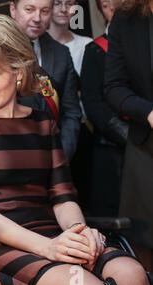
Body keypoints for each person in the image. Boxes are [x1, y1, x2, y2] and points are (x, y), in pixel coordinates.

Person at [0, 14, 152, 285]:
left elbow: (63, 197)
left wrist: (78, 233)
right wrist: (48, 247)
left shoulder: (42, 121)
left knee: (134, 277)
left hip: (54, 234)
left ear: (19, 71)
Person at [104, 0, 153, 273]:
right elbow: (113, 87)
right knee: (144, 240)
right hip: (146, 148)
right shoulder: (127, 17)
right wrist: (147, 112)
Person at [10, 0, 81, 161]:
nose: (37, 18)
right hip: (12, 154)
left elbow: (71, 112)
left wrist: (62, 154)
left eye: (45, 11)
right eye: (29, 9)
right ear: (13, 9)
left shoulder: (61, 53)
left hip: (55, 155)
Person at [81, 0, 126, 217]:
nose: (115, 9)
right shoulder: (95, 49)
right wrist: (125, 134)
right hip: (110, 145)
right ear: (101, 10)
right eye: (108, 5)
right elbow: (92, 102)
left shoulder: (139, 46)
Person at [48, 0, 92, 75]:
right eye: (57, 3)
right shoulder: (36, 43)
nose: (63, 9)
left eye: (69, 4)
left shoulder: (87, 44)